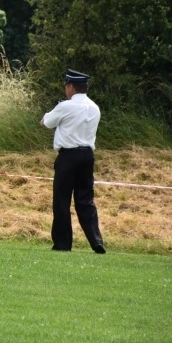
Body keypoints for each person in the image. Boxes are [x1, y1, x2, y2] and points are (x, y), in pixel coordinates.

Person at [41, 69, 106, 254]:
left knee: (62, 200)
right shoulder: (94, 107)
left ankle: (63, 244)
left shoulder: (65, 106)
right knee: (86, 200)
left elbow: (46, 122)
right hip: (87, 156)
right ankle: (96, 241)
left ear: (71, 87)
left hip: (68, 156)